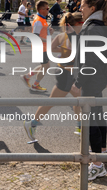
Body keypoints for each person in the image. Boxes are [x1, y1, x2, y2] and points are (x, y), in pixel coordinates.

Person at [70, 0, 107, 181]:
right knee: (98, 115)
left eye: (82, 5)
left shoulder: (91, 28)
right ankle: (102, 153)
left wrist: (79, 82)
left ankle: (97, 165)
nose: (79, 9)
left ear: (92, 8)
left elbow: (88, 61)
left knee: (88, 121)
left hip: (90, 80)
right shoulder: (102, 25)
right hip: (99, 78)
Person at [24, 12, 84, 142]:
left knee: (79, 99)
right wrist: (66, 51)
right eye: (83, 23)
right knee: (52, 101)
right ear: (77, 24)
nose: (85, 25)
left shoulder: (66, 36)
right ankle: (32, 124)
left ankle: (80, 127)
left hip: (71, 72)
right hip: (65, 73)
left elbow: (53, 49)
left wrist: (64, 50)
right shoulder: (71, 37)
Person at [21, 0, 54, 92]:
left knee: (44, 66)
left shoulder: (42, 19)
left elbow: (42, 33)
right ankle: (35, 85)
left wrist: (49, 32)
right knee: (46, 66)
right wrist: (48, 39)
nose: (48, 10)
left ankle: (27, 77)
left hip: (43, 47)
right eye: (47, 8)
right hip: (39, 47)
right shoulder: (39, 21)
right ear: (41, 9)